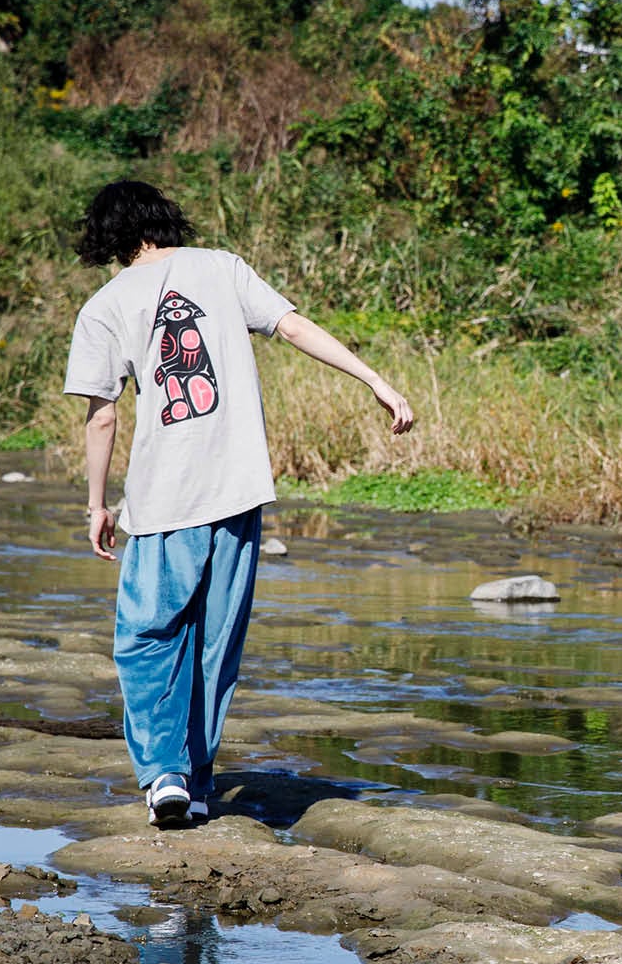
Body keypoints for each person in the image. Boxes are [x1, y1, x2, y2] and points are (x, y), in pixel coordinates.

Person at [64, 180, 414, 828]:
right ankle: (198, 783)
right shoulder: (222, 267)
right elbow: (293, 325)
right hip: (238, 489)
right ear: (163, 218)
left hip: (167, 498)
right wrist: (376, 379)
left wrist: (96, 503)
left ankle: (165, 774)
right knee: (215, 642)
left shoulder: (106, 304)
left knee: (146, 639)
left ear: (107, 237)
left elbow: (103, 417)